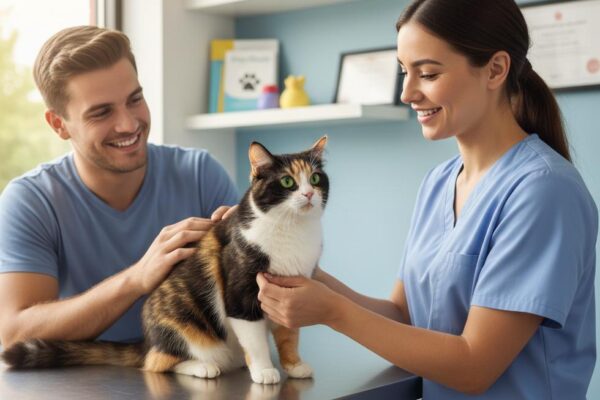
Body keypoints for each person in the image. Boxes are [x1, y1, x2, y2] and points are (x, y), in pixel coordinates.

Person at [256, 0, 598, 398]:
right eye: (404, 72)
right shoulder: (438, 184)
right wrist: (298, 273)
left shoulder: (543, 191)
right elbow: (404, 317)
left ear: (496, 69)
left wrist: (331, 311)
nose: (407, 92)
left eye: (428, 73)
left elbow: (475, 366)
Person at [0, 26, 238, 347]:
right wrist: (136, 279)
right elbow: (14, 332)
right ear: (58, 125)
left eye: (135, 99)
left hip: (200, 375)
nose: (128, 124)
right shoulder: (31, 200)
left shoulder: (199, 173)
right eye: (101, 112)